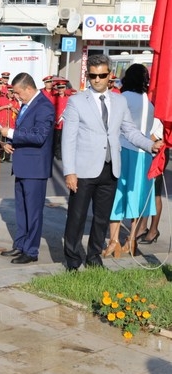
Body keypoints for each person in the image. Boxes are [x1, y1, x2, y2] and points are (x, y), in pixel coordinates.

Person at [61, 54, 163, 271]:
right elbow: (68, 139)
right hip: (83, 170)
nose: (97, 79)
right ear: (88, 76)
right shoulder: (76, 101)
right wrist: (69, 171)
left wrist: (149, 145)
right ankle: (72, 261)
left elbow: (130, 130)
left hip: (111, 168)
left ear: (110, 76)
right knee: (76, 218)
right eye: (93, 76)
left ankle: (94, 258)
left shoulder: (120, 101)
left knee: (102, 218)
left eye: (102, 75)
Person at [0, 72, 55, 264]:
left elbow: (39, 136)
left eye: (18, 93)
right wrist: (8, 141)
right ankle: (20, 245)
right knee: (21, 211)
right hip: (23, 165)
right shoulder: (27, 105)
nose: (16, 96)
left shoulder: (44, 106)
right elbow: (24, 132)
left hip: (35, 168)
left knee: (33, 212)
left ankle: (31, 251)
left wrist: (12, 133)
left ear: (28, 89)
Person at [104, 64, 157, 258]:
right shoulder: (148, 101)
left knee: (117, 195)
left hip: (125, 150)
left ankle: (113, 240)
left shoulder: (122, 98)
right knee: (138, 198)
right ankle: (132, 240)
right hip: (145, 153)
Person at [139, 118, 169, 245]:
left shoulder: (162, 107)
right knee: (145, 192)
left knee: (155, 192)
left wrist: (141, 140)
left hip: (158, 151)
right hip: (147, 150)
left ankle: (153, 230)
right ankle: (142, 227)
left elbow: (158, 132)